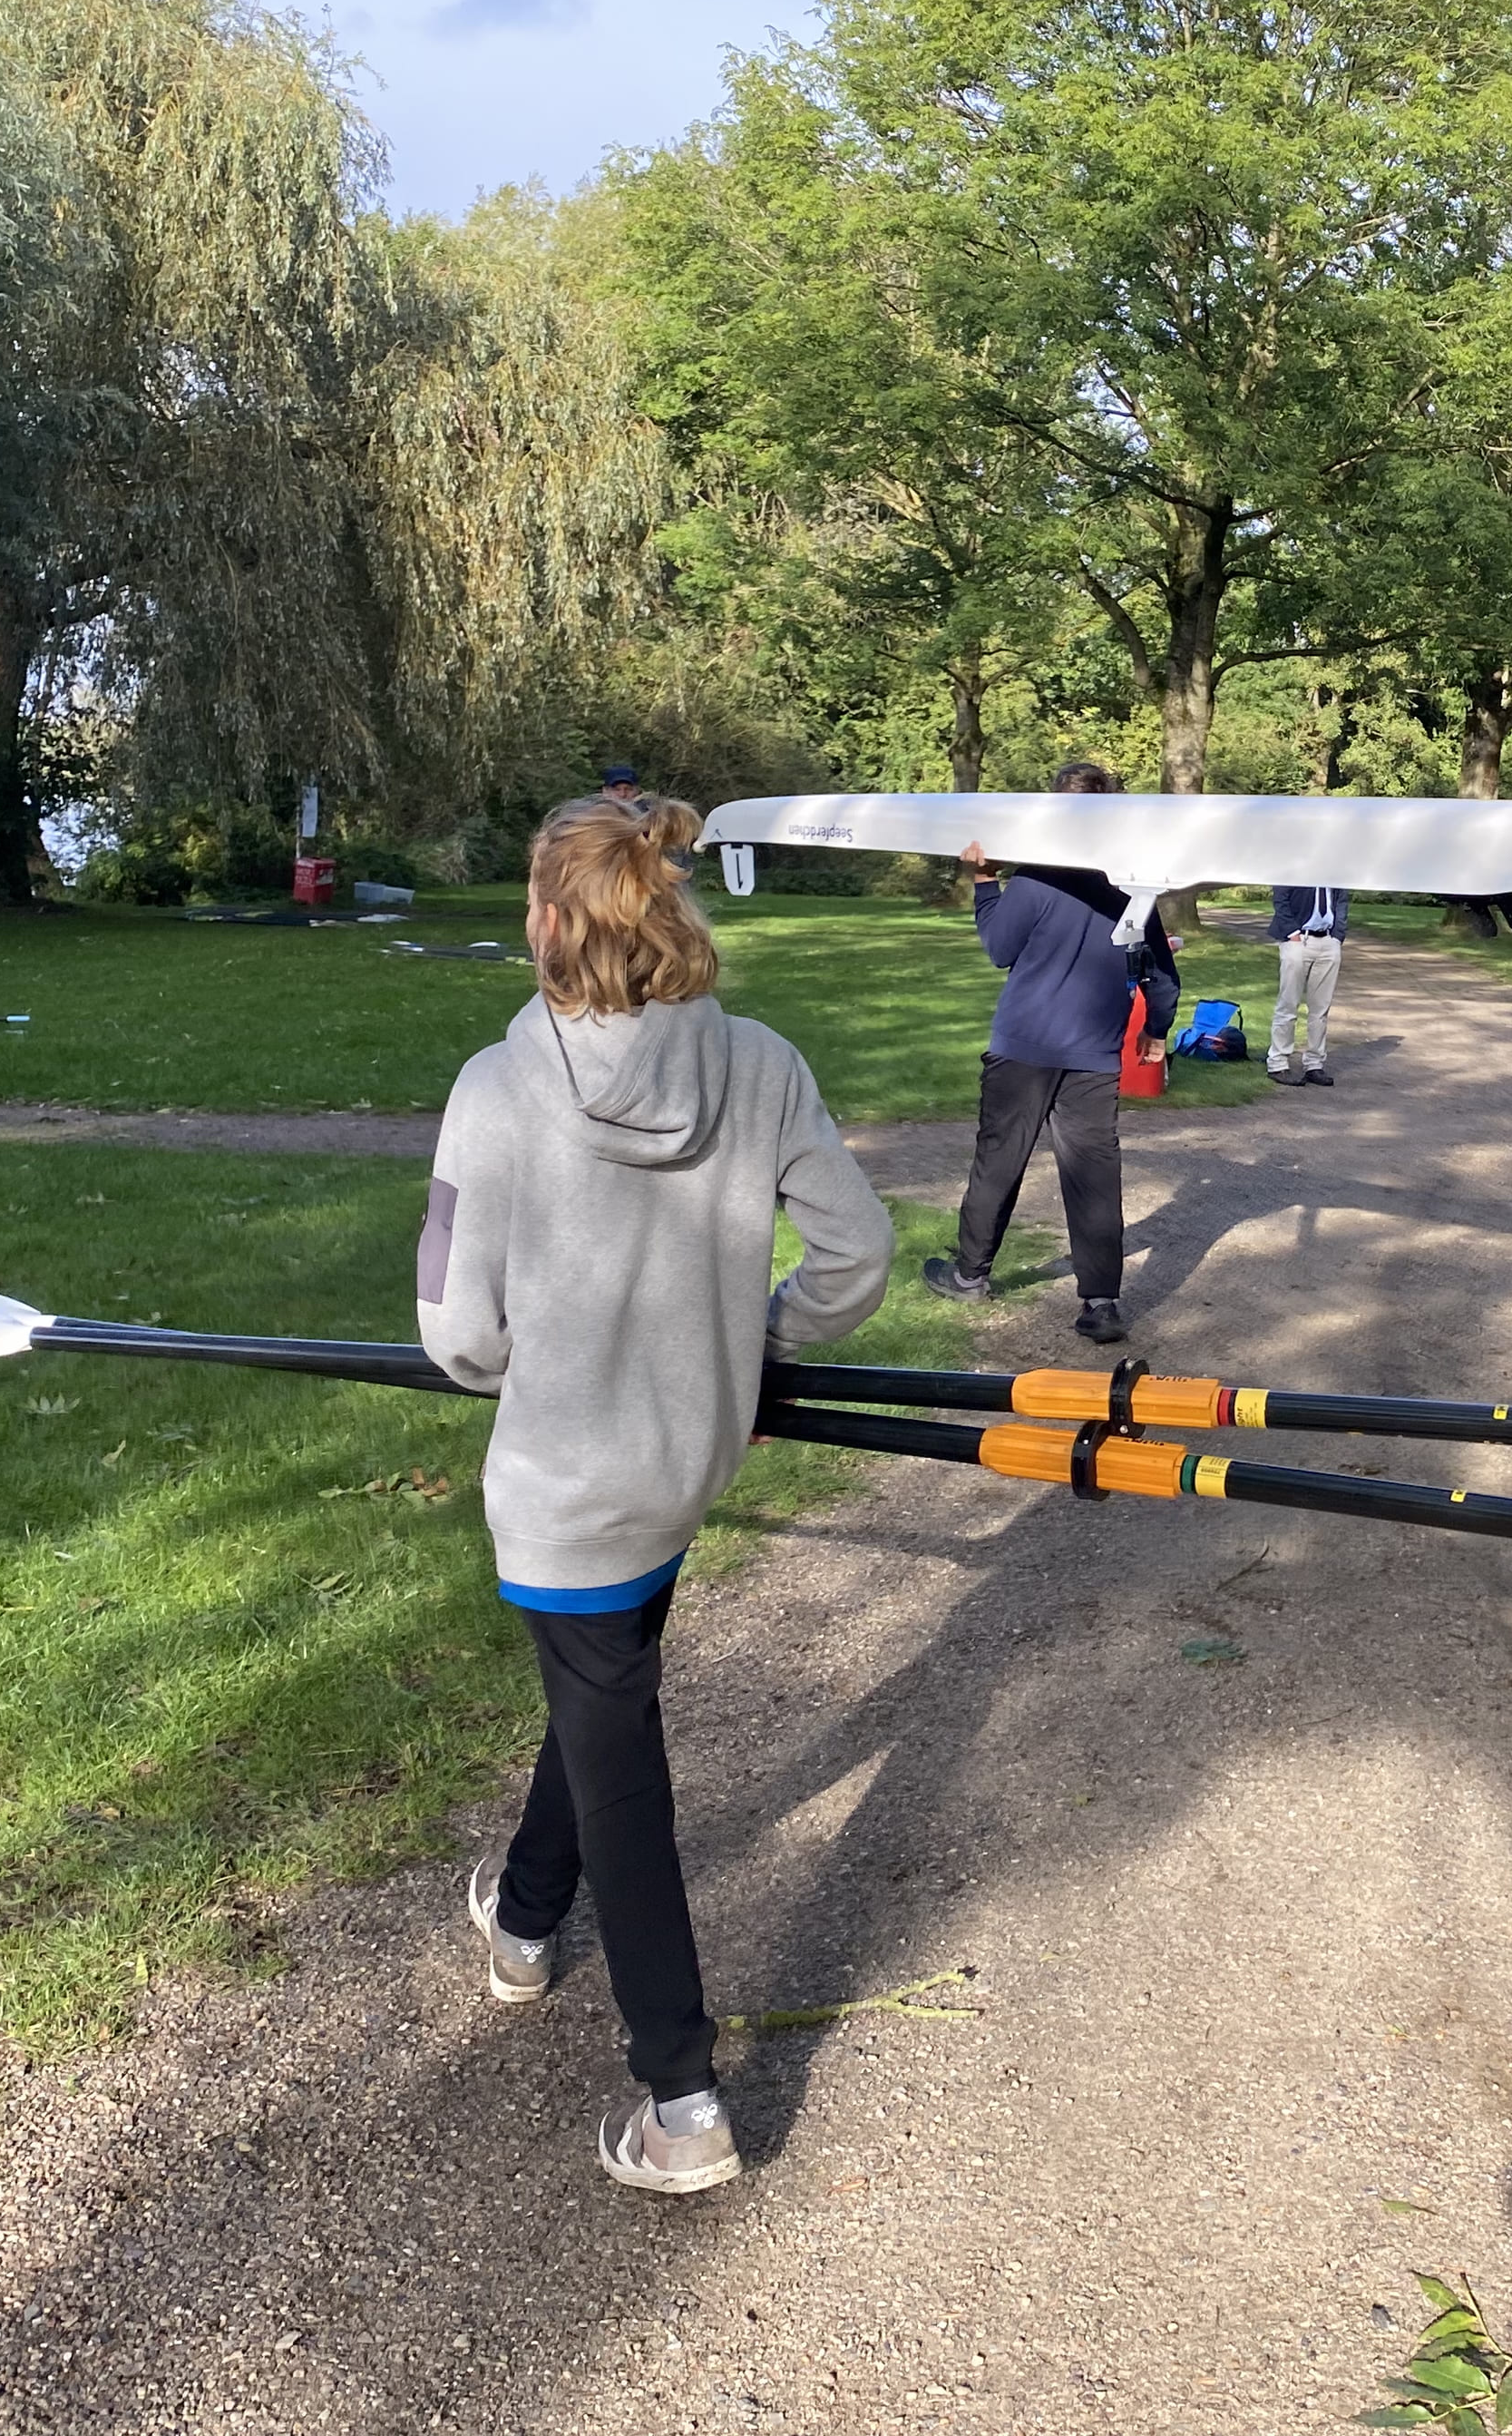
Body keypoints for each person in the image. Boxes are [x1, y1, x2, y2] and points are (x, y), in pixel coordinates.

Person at [416, 791, 895, 2193]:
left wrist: (528, 1356)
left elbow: (457, 1337)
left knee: (618, 1754)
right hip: (683, 1463)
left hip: (570, 1489)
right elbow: (855, 1256)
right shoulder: (761, 1065)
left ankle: (681, 2098)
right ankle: (519, 1923)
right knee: (602, 1688)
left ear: (551, 918)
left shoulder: (493, 1091)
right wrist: (745, 1345)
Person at [920, 758, 1177, 1343]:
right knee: (1093, 1174)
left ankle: (969, 1276)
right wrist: (1157, 1030)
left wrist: (985, 883)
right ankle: (1102, 1303)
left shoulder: (1035, 878)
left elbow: (999, 948)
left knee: (999, 1160)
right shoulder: (1133, 888)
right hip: (1093, 1053)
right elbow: (1161, 975)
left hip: (1024, 1046)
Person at [1263, 881, 1347, 1086]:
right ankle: (1278, 1063)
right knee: (1288, 1003)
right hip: (1299, 939)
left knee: (1321, 1008)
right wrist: (1292, 933)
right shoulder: (1296, 863)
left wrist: (1337, 936)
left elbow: (1342, 900)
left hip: (1328, 940)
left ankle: (1314, 1063)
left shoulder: (1337, 867)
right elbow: (1280, 897)